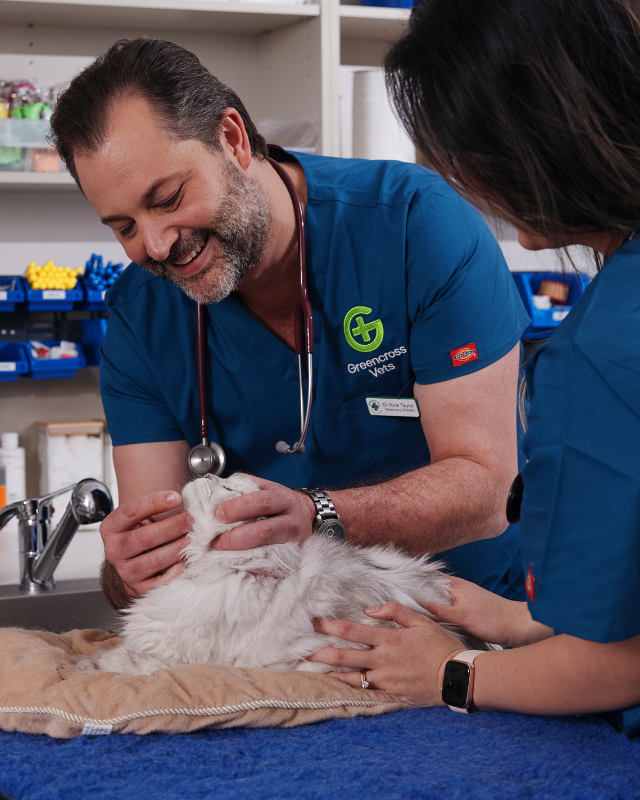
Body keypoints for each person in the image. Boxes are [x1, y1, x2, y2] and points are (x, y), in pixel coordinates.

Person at [49, 38, 529, 609]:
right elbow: (162, 553)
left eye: (170, 197)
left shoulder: (412, 227)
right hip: (288, 639)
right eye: (123, 227)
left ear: (232, 139)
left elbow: (487, 487)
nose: (156, 244)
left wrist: (315, 515)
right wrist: (129, 570)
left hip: (468, 615)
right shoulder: (140, 315)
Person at [309, 0, 640, 738]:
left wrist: (449, 674)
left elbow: (618, 662)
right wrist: (527, 622)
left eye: (461, 156)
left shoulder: (600, 355)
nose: (458, 181)